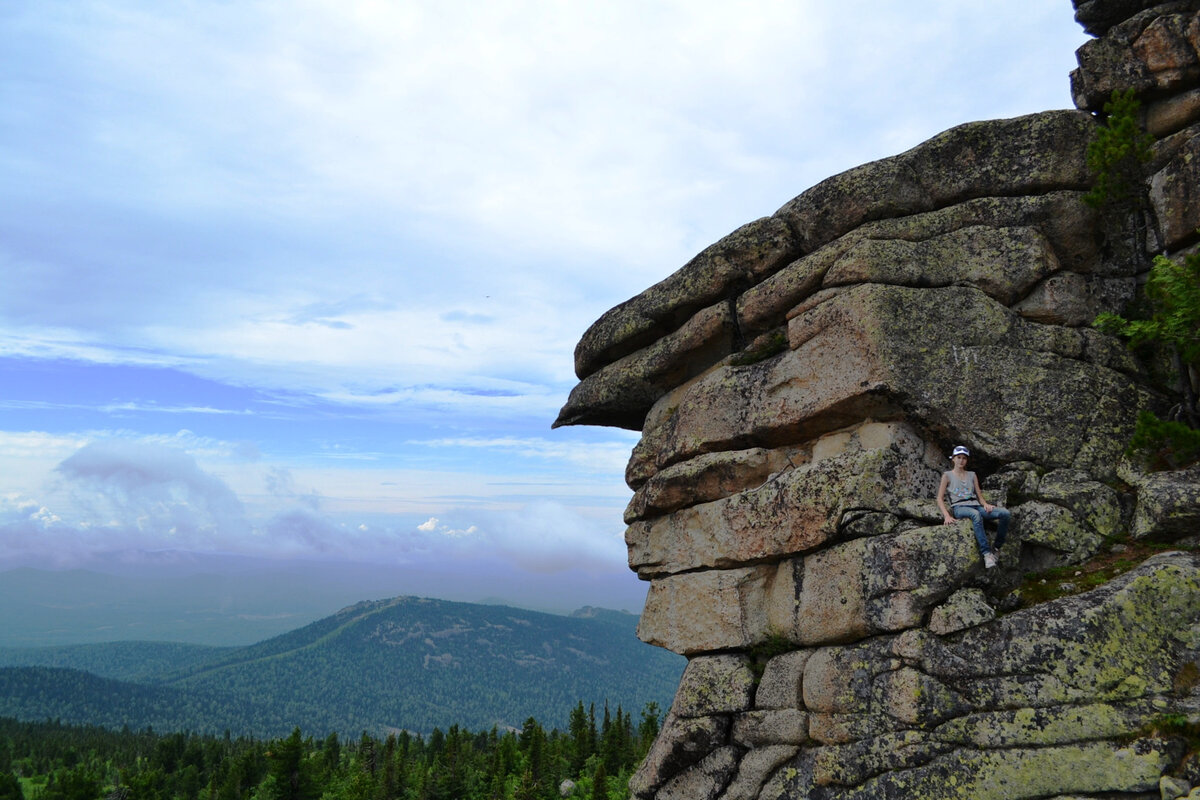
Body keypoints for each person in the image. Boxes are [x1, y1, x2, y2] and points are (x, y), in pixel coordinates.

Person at [936, 445, 1010, 569]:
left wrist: (985, 504)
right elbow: (939, 498)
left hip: (975, 505)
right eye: (958, 457)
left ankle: (996, 547)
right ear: (953, 459)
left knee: (1005, 513)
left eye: (964, 458)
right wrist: (947, 516)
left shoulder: (972, 475)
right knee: (975, 515)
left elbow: (978, 494)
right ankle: (987, 554)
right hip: (959, 507)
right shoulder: (947, 475)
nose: (961, 460)